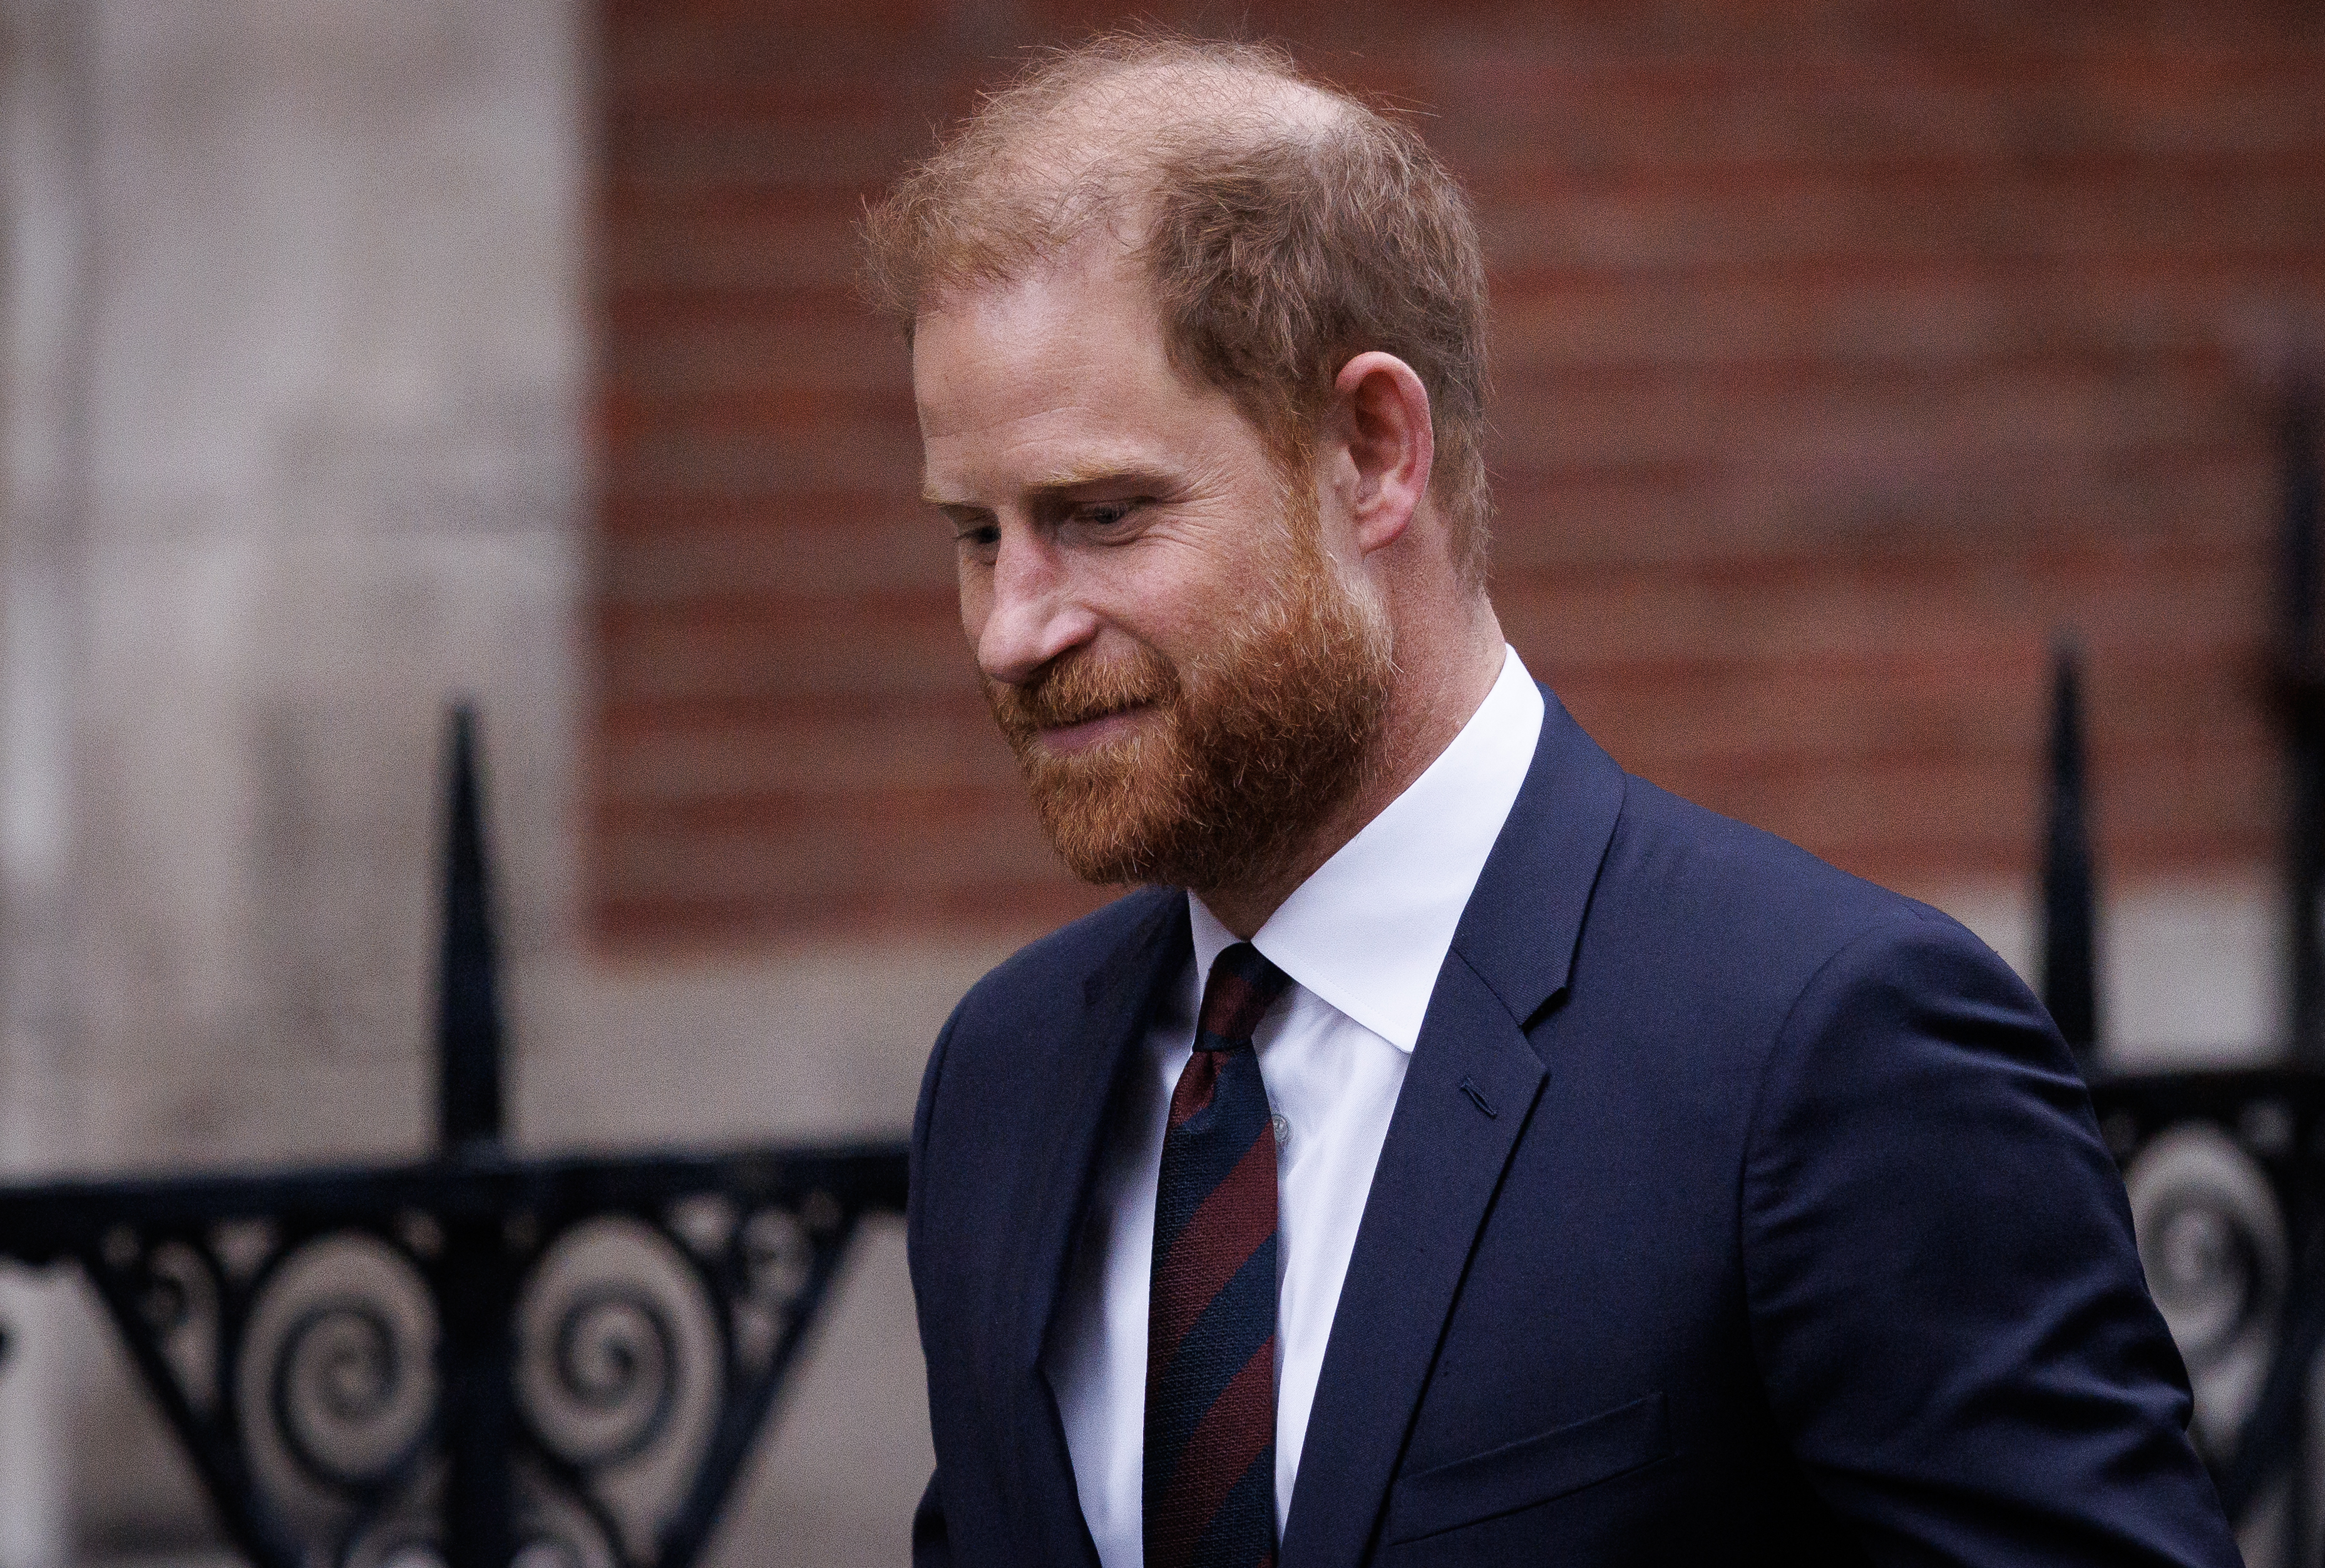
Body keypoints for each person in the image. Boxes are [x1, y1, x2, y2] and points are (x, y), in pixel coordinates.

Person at [861, 33, 2240, 1568]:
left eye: (1101, 515)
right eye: (978, 534)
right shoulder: (1004, 1077)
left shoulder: (1828, 1053)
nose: (1011, 627)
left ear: (1373, 451)